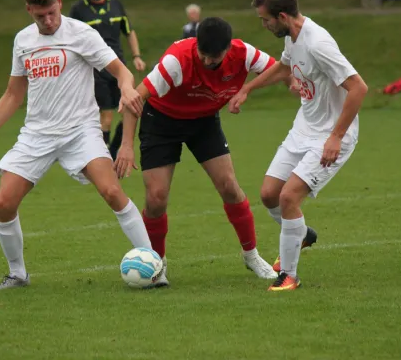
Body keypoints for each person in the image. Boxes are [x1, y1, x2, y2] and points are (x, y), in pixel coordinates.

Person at [0, 0, 151, 291]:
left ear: (59, 2)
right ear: (29, 10)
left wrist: (127, 88)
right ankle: (18, 275)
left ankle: (152, 263)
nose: (47, 21)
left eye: (51, 13)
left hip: (80, 131)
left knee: (112, 192)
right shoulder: (23, 40)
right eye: (39, 16)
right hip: (37, 134)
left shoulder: (81, 33)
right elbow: (12, 95)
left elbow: (120, 70)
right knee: (4, 202)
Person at [114, 17, 317, 287]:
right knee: (156, 198)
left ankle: (251, 255)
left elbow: (281, 69)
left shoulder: (243, 54)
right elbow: (133, 100)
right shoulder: (176, 62)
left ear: (227, 50)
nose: (208, 62)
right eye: (203, 55)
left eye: (215, 58)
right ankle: (157, 264)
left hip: (204, 122)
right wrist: (126, 145)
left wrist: (294, 83)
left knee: (230, 186)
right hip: (161, 122)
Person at [228, 0, 368, 291]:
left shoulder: (318, 43)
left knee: (288, 197)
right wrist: (247, 89)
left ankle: (289, 274)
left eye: (265, 20)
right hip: (303, 128)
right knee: (268, 194)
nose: (263, 25)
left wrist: (336, 137)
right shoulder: (293, 36)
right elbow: (284, 68)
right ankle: (300, 234)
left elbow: (358, 87)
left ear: (281, 15)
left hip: (330, 135)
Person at [69, 0, 146, 159]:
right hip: (95, 70)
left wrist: (136, 56)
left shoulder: (116, 4)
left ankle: (111, 152)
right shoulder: (78, 10)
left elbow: (129, 31)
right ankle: (102, 158)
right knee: (107, 117)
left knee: (131, 110)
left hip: (118, 68)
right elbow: (71, 41)